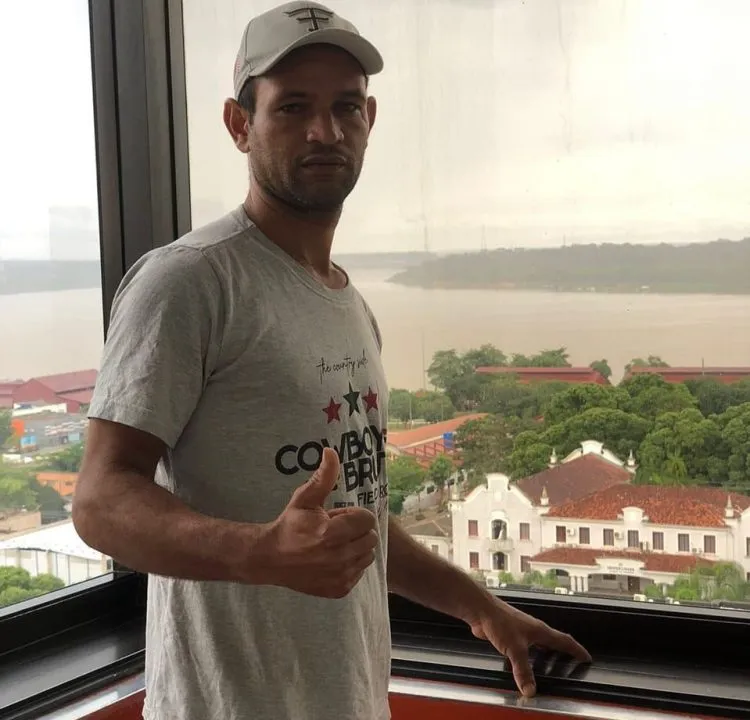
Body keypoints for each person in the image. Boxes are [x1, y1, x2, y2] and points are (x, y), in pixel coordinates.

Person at [72, 2, 590, 719]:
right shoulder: (190, 281)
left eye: (346, 106)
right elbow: (100, 500)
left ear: (369, 120)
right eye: (293, 108)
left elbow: (358, 516)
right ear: (239, 124)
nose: (326, 130)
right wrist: (261, 552)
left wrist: (482, 610)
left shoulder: (348, 306)